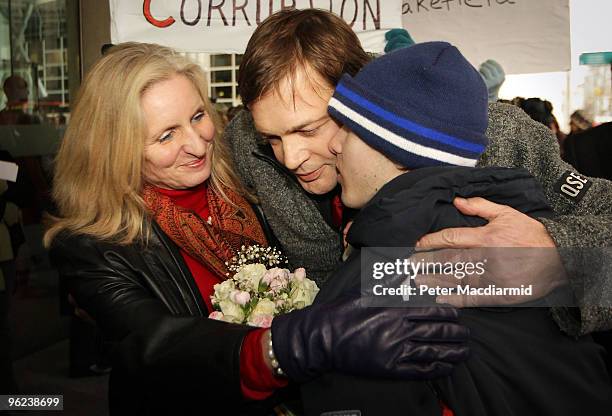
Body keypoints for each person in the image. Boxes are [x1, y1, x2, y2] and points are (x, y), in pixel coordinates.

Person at [45, 42, 469, 414]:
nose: (196, 144)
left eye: (197, 116)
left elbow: (465, 269)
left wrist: (532, 257)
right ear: (114, 150)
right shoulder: (91, 245)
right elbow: (152, 343)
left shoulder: (250, 183)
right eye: (165, 136)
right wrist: (289, 347)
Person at [229, 8, 612, 336]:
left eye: (309, 129)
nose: (291, 158)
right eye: (272, 139)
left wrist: (558, 256)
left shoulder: (494, 135)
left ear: (360, 95)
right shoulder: (254, 156)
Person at [294, 41, 612, 416]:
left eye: (343, 126)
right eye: (273, 139)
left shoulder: (377, 278)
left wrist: (563, 258)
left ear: (394, 145)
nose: (330, 145)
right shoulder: (510, 208)